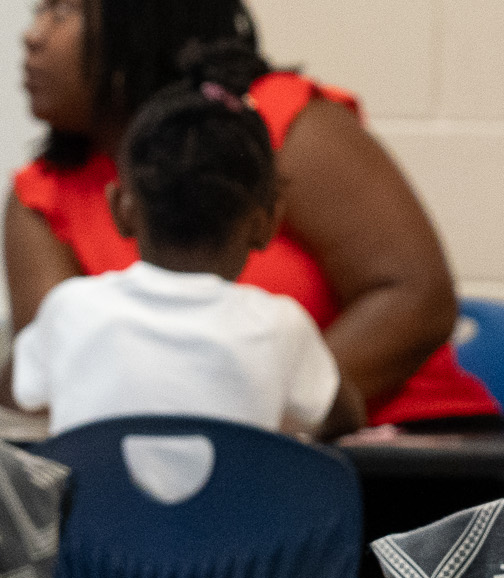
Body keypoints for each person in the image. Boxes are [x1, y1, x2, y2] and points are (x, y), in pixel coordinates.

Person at [8, 0, 498, 432]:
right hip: (186, 482)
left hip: (405, 447)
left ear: (142, 22)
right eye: (37, 11)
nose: (32, 34)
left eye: (60, 10)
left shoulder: (271, 123)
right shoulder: (40, 196)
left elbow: (416, 296)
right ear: (120, 205)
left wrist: (258, 428)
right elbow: (57, 380)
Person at [11, 46, 362, 440]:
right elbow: (345, 416)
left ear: (120, 210)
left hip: (101, 504)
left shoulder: (70, 309)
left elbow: (21, 393)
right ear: (266, 223)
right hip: (240, 505)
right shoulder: (282, 326)